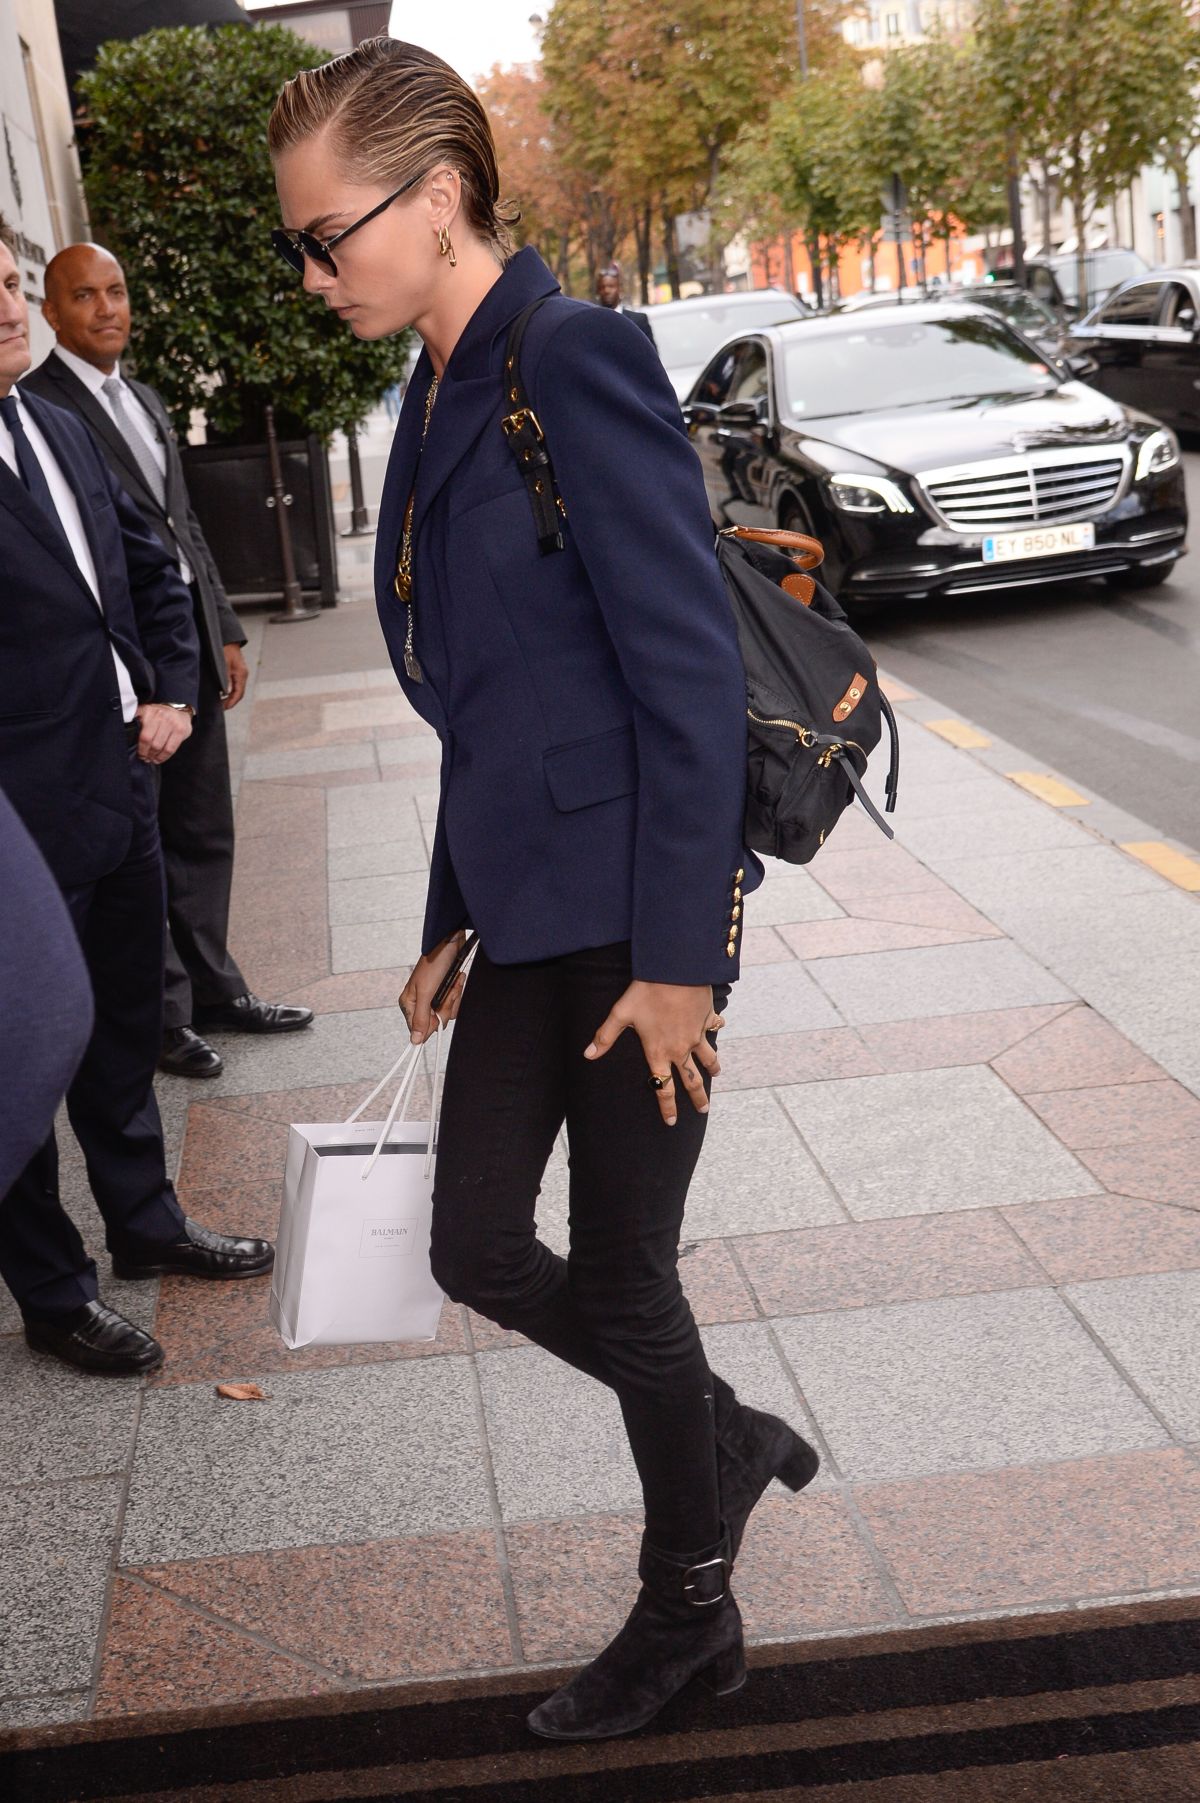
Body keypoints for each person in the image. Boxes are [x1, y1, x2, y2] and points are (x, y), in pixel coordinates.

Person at [269, 37, 819, 1743]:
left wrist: (685, 962)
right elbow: (488, 697)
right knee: (476, 1237)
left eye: (326, 232)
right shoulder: (433, 387)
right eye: (299, 240)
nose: (311, 268)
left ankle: (688, 1612)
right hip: (524, 902)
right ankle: (721, 1436)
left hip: (638, 919)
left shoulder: (569, 359)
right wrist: (449, 904)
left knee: (626, 1273)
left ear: (439, 198)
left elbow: (677, 679)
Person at [0, 217, 274, 1377]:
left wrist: (169, 688)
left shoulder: (55, 428)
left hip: (122, 780)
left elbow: (150, 566)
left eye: (10, 284)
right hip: (19, 816)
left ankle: (147, 1224)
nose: (11, 307)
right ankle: (55, 1295)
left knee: (125, 1023)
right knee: (23, 1053)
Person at [22, 243, 313, 1080]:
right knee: (143, 848)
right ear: (53, 312)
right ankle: (164, 1018)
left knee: (202, 828)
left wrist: (222, 623)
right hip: (125, 667)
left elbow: (182, 530)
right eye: (85, 296)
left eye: (117, 291)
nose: (108, 309)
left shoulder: (143, 398)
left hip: (187, 652)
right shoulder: (41, 407)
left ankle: (217, 988)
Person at [595, 261, 654, 343]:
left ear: (620, 289)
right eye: (602, 287)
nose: (606, 290)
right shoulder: (593, 323)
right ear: (598, 291)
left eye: (611, 286)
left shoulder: (638, 321)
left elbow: (651, 353)